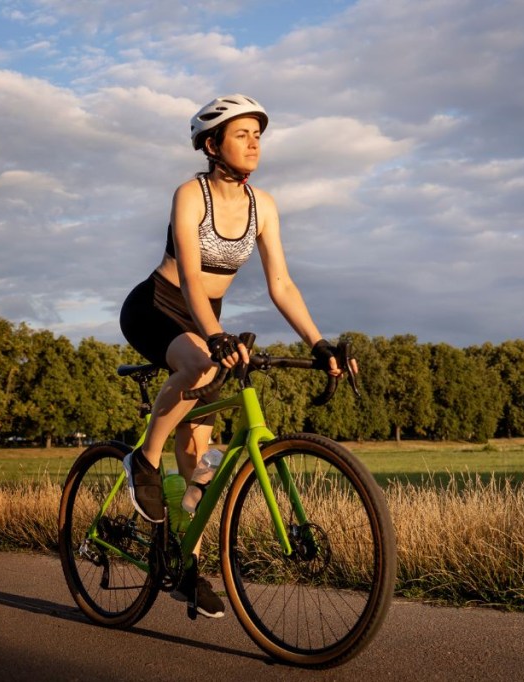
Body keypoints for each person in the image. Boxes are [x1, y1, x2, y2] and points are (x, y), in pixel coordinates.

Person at [118, 94, 352, 618]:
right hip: (158, 307)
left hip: (206, 323)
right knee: (201, 362)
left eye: (258, 135)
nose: (254, 143)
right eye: (241, 134)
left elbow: (282, 283)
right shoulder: (190, 193)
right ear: (211, 144)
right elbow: (193, 277)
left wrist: (318, 342)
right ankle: (142, 461)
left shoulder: (262, 205)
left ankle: (186, 568)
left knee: (200, 463)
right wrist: (215, 333)